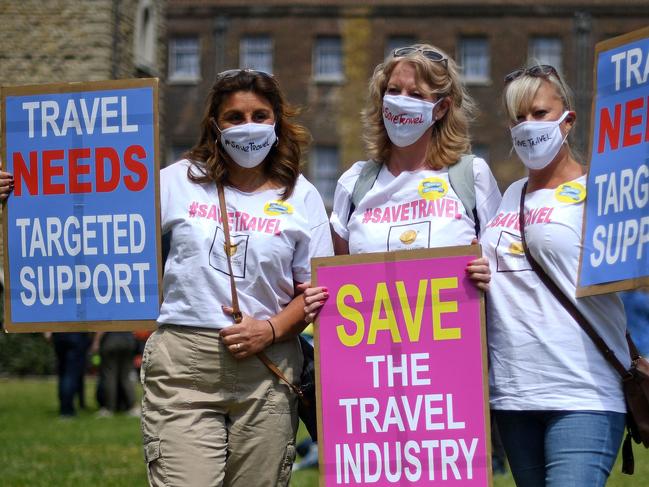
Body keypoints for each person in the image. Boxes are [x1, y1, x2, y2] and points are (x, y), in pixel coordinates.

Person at [140, 69, 333, 487]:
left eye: (260, 115)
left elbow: (317, 291)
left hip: (268, 371)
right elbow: (103, 218)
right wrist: (21, 193)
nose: (248, 126)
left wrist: (271, 328)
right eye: (235, 117)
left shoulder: (302, 196)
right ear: (215, 124)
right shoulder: (177, 181)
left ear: (277, 122)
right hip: (184, 367)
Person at [480, 64, 629, 486]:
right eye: (518, 117)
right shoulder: (509, 196)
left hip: (583, 389)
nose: (528, 126)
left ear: (569, 119)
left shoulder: (602, 192)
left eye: (540, 113)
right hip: (514, 393)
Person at [305, 43, 500, 316]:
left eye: (416, 94)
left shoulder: (472, 176)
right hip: (372, 352)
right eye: (394, 91)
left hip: (452, 351)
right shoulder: (354, 183)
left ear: (442, 108)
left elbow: (505, 273)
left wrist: (489, 273)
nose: (401, 100)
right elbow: (333, 281)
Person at [92, 331, 139, 417]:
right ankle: (133, 407)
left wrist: (96, 341)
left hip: (111, 341)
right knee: (126, 377)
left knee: (109, 376)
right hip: (128, 341)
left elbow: (103, 326)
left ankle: (109, 408)